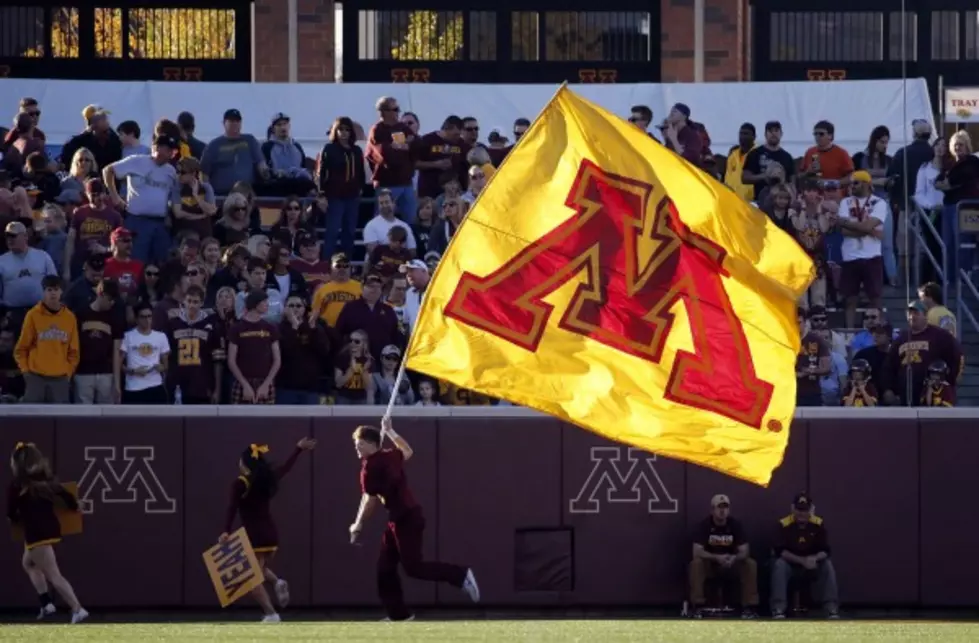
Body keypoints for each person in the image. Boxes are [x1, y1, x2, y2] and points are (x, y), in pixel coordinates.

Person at [349, 417, 479, 621]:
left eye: (360, 444)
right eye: (356, 444)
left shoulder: (370, 468)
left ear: (372, 444)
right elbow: (408, 451)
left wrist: (358, 524)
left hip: (405, 518)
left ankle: (461, 576)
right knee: (385, 567)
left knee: (414, 568)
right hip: (401, 517)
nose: (357, 448)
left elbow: (369, 500)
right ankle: (399, 615)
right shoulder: (390, 456)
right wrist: (391, 431)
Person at [219, 438, 317, 622]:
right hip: (270, 534)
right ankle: (276, 582)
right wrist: (298, 449)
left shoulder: (240, 483)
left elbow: (232, 507)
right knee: (259, 568)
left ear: (244, 463)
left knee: (250, 578)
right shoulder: (267, 478)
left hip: (254, 535)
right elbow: (286, 468)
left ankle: (271, 614)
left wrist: (226, 530)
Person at [6, 441, 89, 623]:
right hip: (50, 529)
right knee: (28, 563)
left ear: (17, 464)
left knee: (54, 575)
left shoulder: (17, 485)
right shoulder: (46, 480)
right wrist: (75, 506)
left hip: (36, 534)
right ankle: (46, 604)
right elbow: (65, 494)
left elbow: (11, 512)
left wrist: (15, 518)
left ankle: (77, 608)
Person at [770, 493, 839, 619]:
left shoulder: (818, 524)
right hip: (791, 565)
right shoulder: (784, 524)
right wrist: (802, 561)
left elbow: (825, 550)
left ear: (811, 510)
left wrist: (814, 559)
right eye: (799, 509)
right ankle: (778, 609)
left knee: (827, 565)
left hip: (812, 566)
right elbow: (780, 551)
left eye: (805, 510)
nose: (802, 514)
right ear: (792, 509)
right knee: (779, 565)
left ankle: (831, 609)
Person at [14, 275, 78, 404]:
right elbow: (21, 349)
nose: (53, 293)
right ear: (43, 292)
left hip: (60, 378)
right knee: (32, 419)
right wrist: (26, 372)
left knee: (60, 420)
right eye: (49, 290)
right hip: (35, 377)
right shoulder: (33, 315)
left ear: (61, 292)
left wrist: (68, 373)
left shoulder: (70, 317)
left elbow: (74, 352)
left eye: (56, 289)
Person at [119, 301, 170, 404]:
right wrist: (133, 371)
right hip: (133, 388)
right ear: (137, 319)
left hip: (155, 386)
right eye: (143, 317)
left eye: (149, 316)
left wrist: (161, 367)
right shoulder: (128, 336)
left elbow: (166, 365)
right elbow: (119, 364)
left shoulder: (161, 336)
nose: (147, 320)